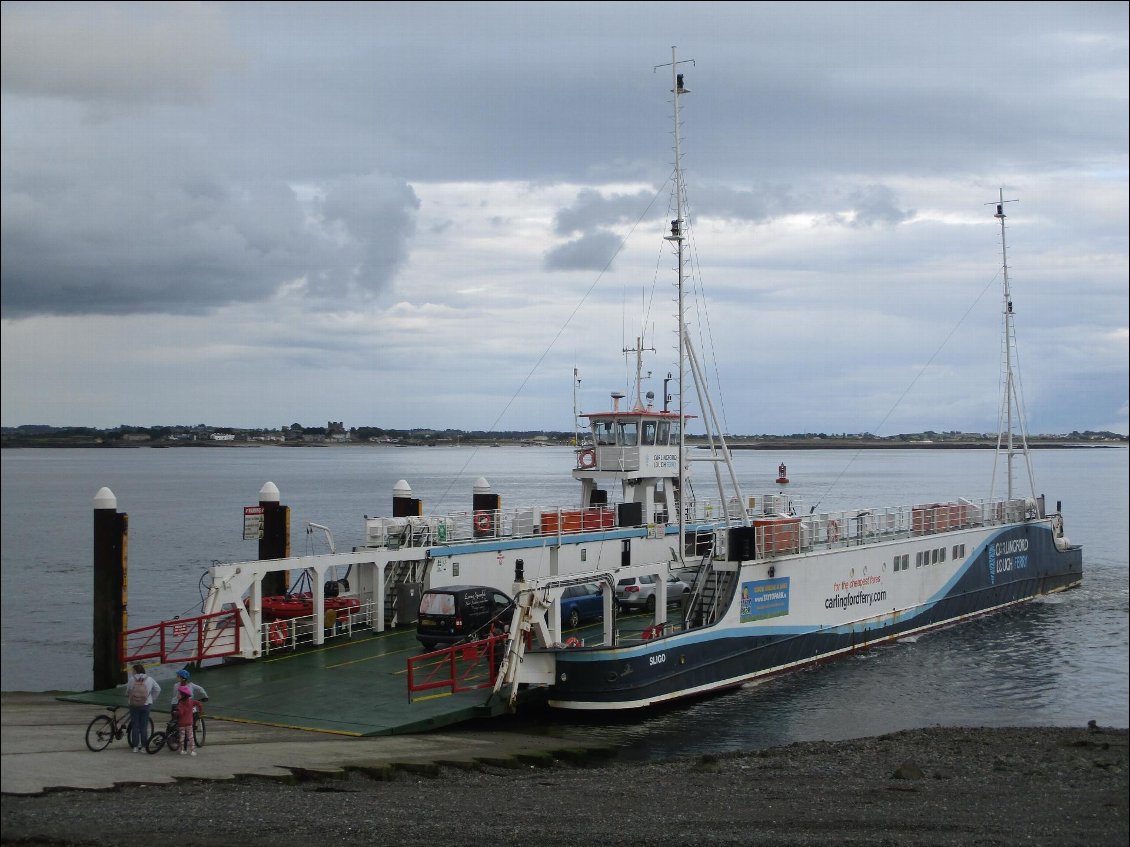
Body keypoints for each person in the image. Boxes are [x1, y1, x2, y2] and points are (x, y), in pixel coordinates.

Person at [125, 663, 160, 753]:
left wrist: (130, 697)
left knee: (135, 726)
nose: (132, 672)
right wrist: (152, 698)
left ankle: (135, 747)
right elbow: (158, 689)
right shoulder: (150, 679)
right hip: (146, 704)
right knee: (144, 726)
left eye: (133, 671)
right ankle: (144, 747)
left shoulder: (132, 679)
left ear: (136, 671)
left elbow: (128, 691)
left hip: (133, 705)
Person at [173, 685, 204, 756]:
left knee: (182, 738)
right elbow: (199, 704)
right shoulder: (191, 701)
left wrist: (175, 713)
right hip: (189, 723)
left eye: (179, 693)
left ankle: (182, 750)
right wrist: (200, 712)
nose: (177, 695)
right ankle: (192, 751)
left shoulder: (180, 704)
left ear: (182, 696)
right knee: (191, 737)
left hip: (181, 724)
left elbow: (180, 713)